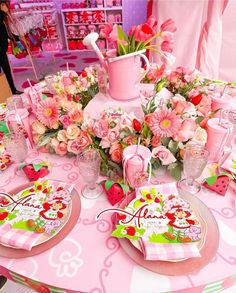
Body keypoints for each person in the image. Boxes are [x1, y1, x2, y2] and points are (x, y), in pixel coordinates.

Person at [0, 0, 22, 95]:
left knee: (7, 71)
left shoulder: (3, 18)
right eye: (6, 6)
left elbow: (6, 33)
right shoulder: (1, 17)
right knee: (4, 71)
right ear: (1, 5)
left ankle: (12, 90)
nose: (8, 8)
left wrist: (17, 38)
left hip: (2, 50)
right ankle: (7, 91)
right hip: (0, 50)